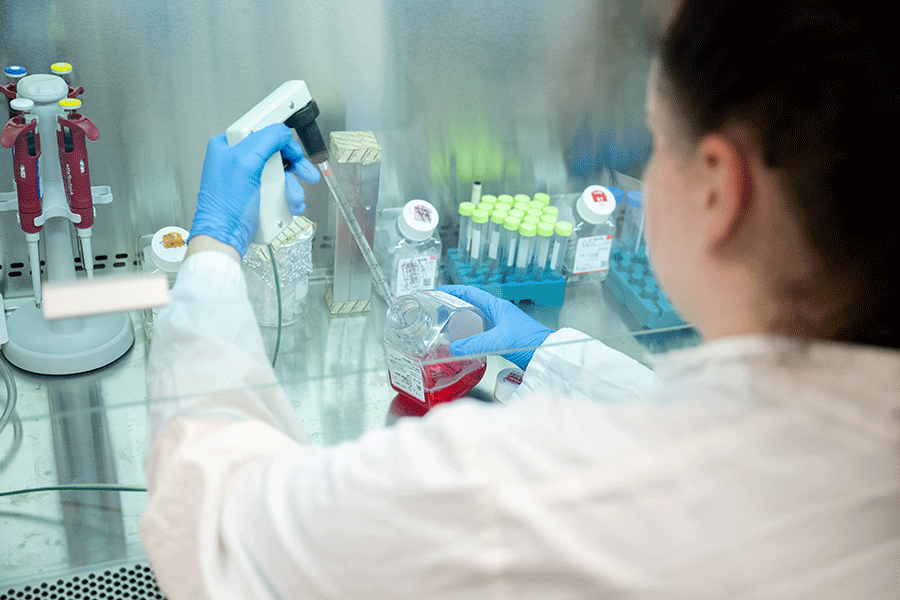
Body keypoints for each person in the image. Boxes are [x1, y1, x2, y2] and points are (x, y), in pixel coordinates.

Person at [141, 1, 899, 598]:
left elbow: (222, 538)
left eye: (652, 140)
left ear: (719, 189)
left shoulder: (509, 491)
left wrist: (212, 254)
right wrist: (555, 357)